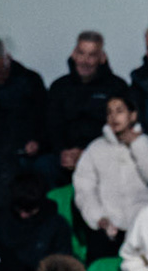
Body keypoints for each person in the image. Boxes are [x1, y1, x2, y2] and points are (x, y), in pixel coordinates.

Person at [72, 93, 148, 258]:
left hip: (142, 226)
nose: (114, 117)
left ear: (132, 115)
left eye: (119, 111)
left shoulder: (145, 142)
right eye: (109, 112)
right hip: (108, 228)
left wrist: (137, 144)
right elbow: (84, 187)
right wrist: (98, 217)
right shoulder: (97, 148)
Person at [46, 33, 130, 183]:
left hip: (103, 155)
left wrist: (87, 153)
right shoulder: (59, 87)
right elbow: (52, 126)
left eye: (92, 55)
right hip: (63, 157)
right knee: (42, 167)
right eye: (81, 53)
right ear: (73, 54)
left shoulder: (117, 88)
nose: (85, 61)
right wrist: (63, 152)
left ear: (102, 57)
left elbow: (120, 129)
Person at [0, 172, 66, 271]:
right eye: (19, 209)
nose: (23, 215)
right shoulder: (3, 220)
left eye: (29, 210)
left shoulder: (56, 225)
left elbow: (61, 261)